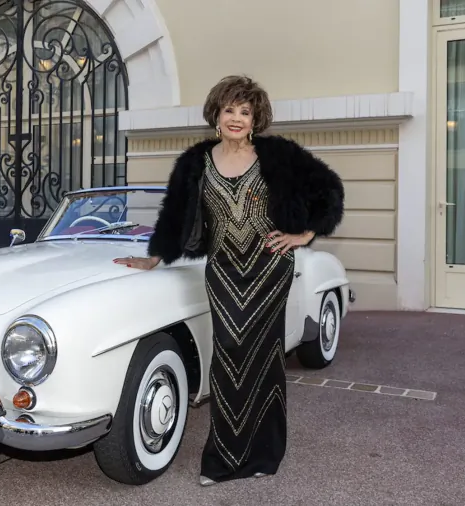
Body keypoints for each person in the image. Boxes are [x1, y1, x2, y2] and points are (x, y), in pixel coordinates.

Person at [113, 75, 345, 485]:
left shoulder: (277, 155)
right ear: (216, 115)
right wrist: (152, 259)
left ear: (255, 119)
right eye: (229, 110)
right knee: (228, 355)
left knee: (265, 356)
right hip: (222, 272)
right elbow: (175, 215)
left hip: (270, 270)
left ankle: (264, 454)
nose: (236, 118)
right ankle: (223, 461)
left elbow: (328, 191)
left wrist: (302, 235)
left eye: (245, 111)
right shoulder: (196, 162)